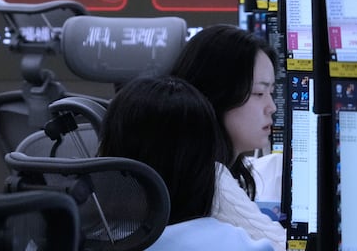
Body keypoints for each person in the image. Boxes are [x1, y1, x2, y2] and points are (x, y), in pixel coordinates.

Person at [98, 75, 272, 251]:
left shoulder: (88, 237)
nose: (272, 107)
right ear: (203, 169)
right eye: (257, 93)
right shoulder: (234, 243)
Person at [169, 23, 286, 250]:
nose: (271, 107)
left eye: (271, 93)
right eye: (259, 93)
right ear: (217, 93)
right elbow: (286, 247)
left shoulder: (184, 165)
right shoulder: (210, 178)